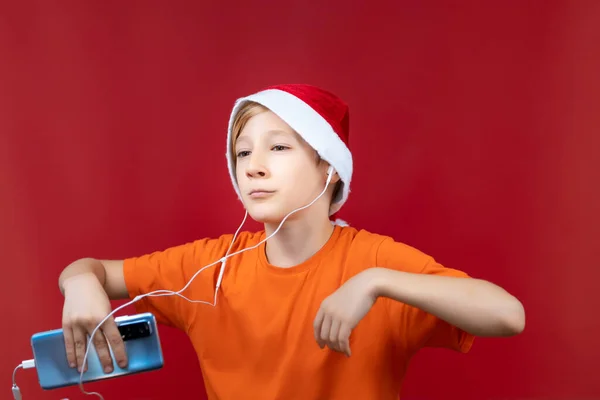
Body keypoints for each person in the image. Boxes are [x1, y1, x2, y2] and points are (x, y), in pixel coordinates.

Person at [58, 83, 525, 399]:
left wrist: (377, 282)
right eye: (242, 152)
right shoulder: (209, 267)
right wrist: (81, 284)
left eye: (278, 147)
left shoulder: (375, 260)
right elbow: (88, 269)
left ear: (329, 166)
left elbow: (507, 315)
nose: (253, 166)